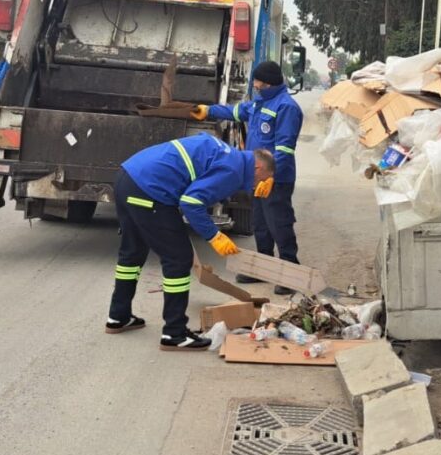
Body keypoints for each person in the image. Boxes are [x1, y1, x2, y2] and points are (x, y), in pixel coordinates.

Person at [106, 133, 276, 352]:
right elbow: (191, 202)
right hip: (150, 190)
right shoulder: (233, 171)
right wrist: (214, 236)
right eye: (263, 180)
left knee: (132, 252)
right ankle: (174, 334)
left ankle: (118, 317)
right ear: (258, 168)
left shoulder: (229, 155)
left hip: (127, 178)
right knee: (178, 258)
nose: (258, 187)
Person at [191, 61, 304, 295]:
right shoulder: (259, 104)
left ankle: (290, 272)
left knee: (279, 224)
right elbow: (234, 112)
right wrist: (208, 110)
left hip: (276, 179)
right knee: (260, 225)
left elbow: (285, 150)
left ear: (267, 82)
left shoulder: (286, 107)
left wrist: (272, 176)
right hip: (256, 175)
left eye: (257, 81)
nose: (254, 84)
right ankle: (263, 269)